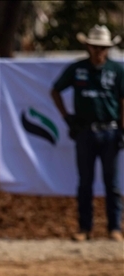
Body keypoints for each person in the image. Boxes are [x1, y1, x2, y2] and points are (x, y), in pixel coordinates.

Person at [50, 25, 124, 242]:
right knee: (85, 182)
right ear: (88, 47)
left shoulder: (117, 71)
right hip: (84, 132)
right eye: (95, 47)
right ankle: (85, 228)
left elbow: (122, 100)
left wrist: (123, 128)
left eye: (102, 47)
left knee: (112, 182)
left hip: (110, 131)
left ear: (108, 49)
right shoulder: (77, 69)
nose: (98, 51)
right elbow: (55, 90)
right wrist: (66, 117)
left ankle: (114, 228)